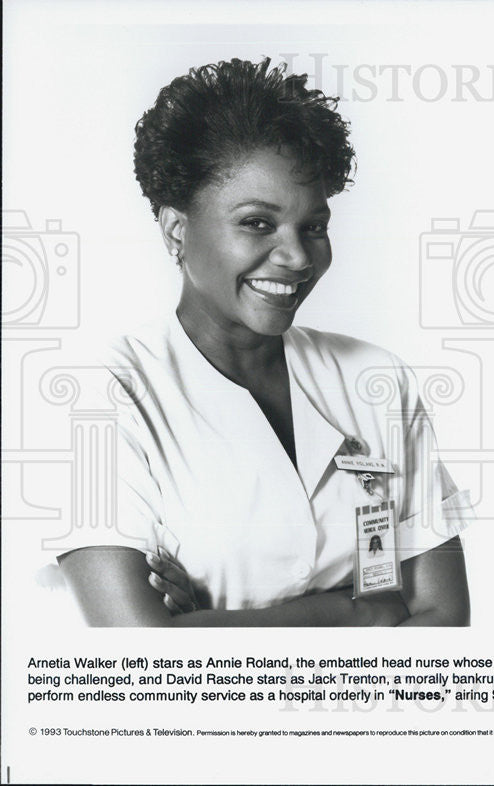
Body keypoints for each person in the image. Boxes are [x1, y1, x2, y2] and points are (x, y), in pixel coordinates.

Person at [57, 58, 471, 626]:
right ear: (177, 230)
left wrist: (207, 624)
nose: (298, 257)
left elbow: (443, 620)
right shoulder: (105, 394)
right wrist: (365, 611)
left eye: (315, 226)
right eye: (257, 222)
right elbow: (138, 662)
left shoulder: (376, 380)